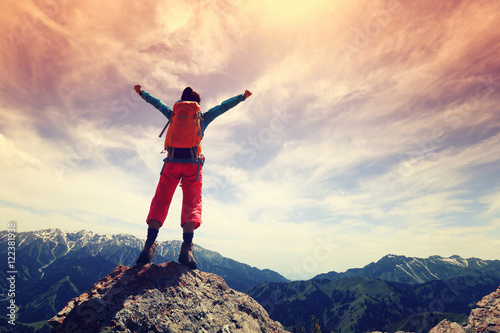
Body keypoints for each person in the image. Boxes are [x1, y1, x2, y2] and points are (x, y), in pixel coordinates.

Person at [133, 84, 252, 269]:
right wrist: (241, 97)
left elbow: (156, 103)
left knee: (161, 201)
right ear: (197, 104)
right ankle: (186, 249)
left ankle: (148, 247)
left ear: (181, 100)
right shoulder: (201, 117)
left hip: (171, 163)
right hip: (192, 165)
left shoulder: (172, 113)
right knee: (191, 203)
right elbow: (222, 107)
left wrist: (142, 93)